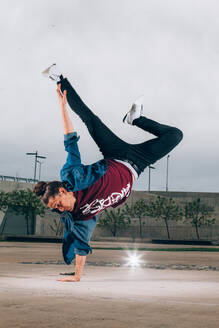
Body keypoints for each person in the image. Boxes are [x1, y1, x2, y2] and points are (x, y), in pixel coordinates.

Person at [34, 64, 183, 282]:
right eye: (54, 208)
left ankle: (59, 78)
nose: (58, 209)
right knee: (175, 135)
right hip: (137, 165)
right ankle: (134, 118)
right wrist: (77, 276)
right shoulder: (80, 215)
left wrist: (62, 107)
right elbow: (82, 244)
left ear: (65, 190)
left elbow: (70, 141)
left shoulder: (73, 176)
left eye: (57, 203)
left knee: (91, 120)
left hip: (115, 154)